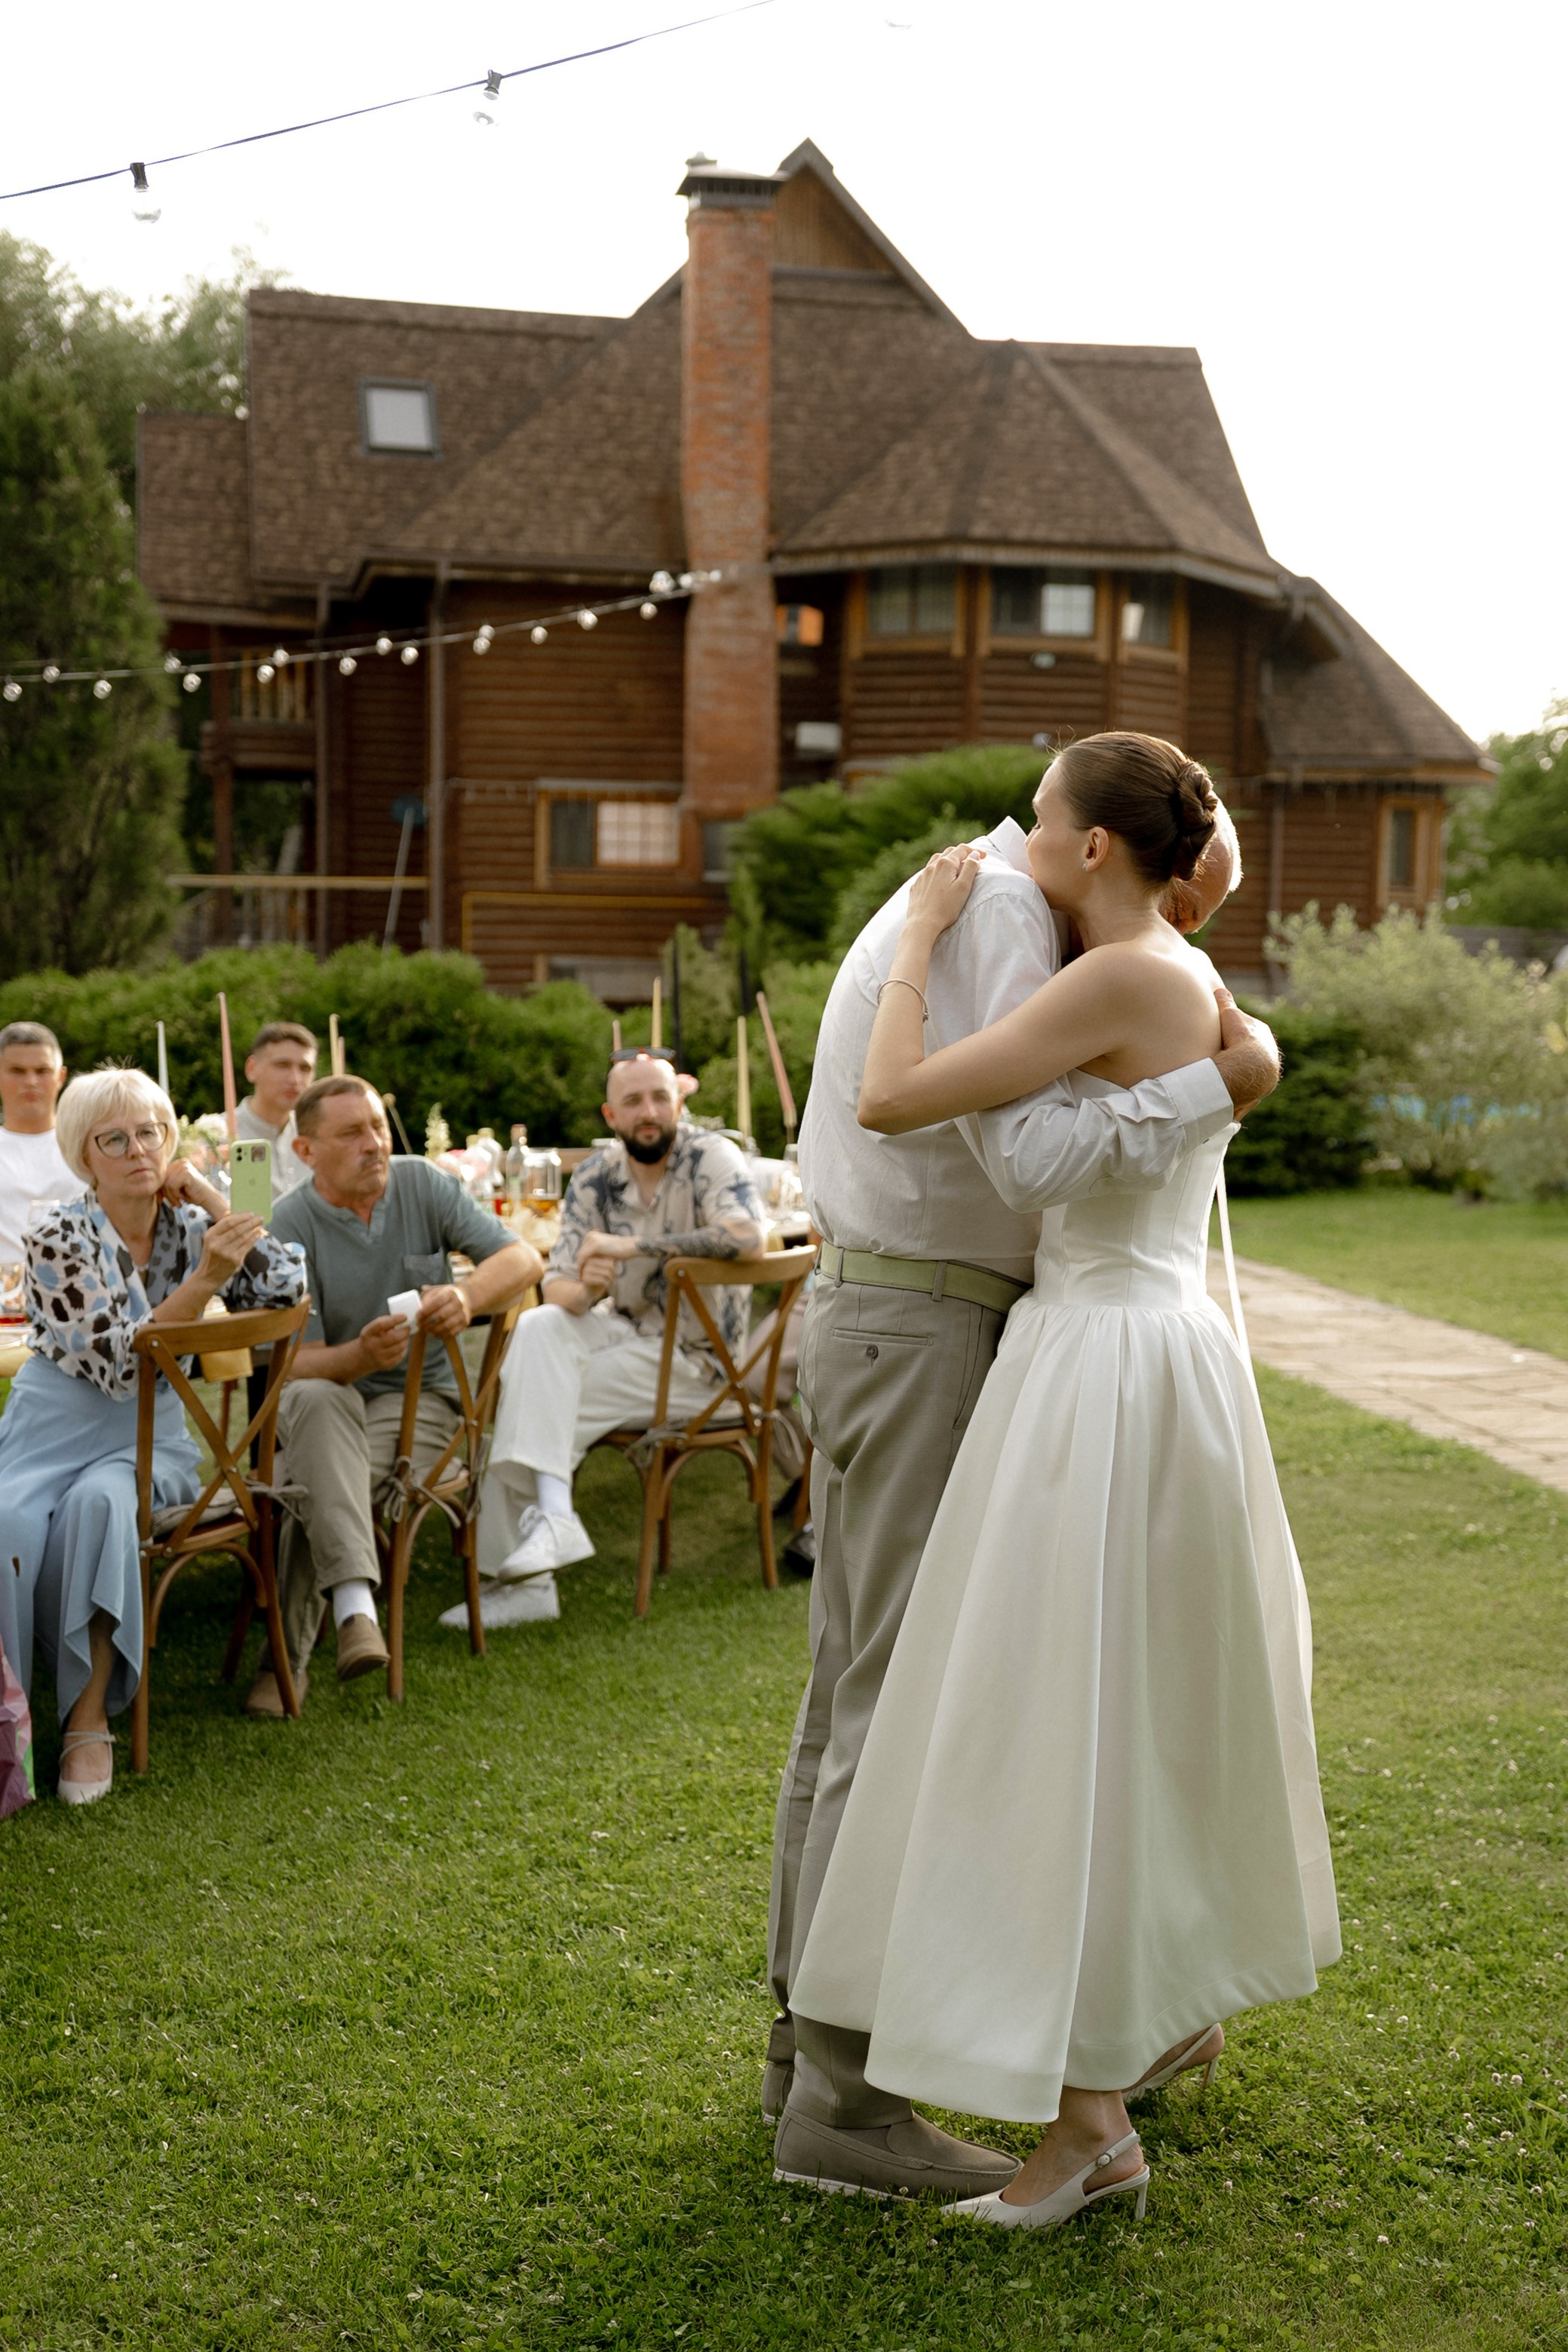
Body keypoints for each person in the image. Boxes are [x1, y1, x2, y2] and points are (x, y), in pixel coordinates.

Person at [789, 732, 1339, 2231]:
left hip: (1096, 1361)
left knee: (1050, 1715)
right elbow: (1144, 1089)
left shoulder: (1093, 967)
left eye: (1043, 812)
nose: (1017, 830)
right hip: (1138, 1350)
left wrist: (913, 938)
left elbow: (916, 1106)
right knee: (1105, 1709)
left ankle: (1064, 2105)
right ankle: (1122, 2051)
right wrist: (1225, 1080)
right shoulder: (1173, 975)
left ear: (1099, 843)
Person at [0, 1067, 305, 1804]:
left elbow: (288, 1288)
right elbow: (116, 1363)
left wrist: (207, 1194)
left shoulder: (194, 1226)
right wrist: (205, 1280)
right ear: (84, 1154)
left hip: (147, 1442)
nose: (138, 1149)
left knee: (101, 1507)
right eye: (116, 1138)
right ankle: (11, 1724)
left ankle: (85, 1720)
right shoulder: (54, 1235)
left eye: (152, 1133)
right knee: (7, 1521)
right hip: (51, 1425)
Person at [250, 1076, 541, 1715]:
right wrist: (356, 1356)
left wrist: (465, 1297)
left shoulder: (420, 1182)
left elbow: (523, 1261)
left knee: (314, 1483)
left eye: (377, 1126)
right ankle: (355, 1610)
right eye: (351, 1133)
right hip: (333, 1396)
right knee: (319, 1418)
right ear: (305, 1150)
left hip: (424, 1405)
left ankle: (285, 1660)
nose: (374, 1143)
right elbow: (287, 1365)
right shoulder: (290, 1224)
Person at [477, 1050, 766, 1614]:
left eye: (660, 1097)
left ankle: (523, 1587)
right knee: (538, 1328)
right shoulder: (594, 1175)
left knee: (524, 1399)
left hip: (702, 1366)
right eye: (633, 1101)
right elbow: (557, 1288)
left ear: (679, 1101)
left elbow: (747, 1236)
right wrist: (587, 1287)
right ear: (611, 1115)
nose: (649, 1111)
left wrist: (631, 1247)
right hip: (628, 1337)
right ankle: (555, 1519)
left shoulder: (711, 1156)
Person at [0, 1022, 79, 1270]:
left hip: (83, 1295)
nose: (31, 1081)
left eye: (42, 1070)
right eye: (17, 1071)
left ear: (61, 1076)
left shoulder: (90, 1148)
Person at [236, 1021, 318, 1199]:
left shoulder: (321, 1135)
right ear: (252, 1069)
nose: (295, 1079)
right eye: (283, 1066)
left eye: (305, 1068)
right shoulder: (215, 1135)